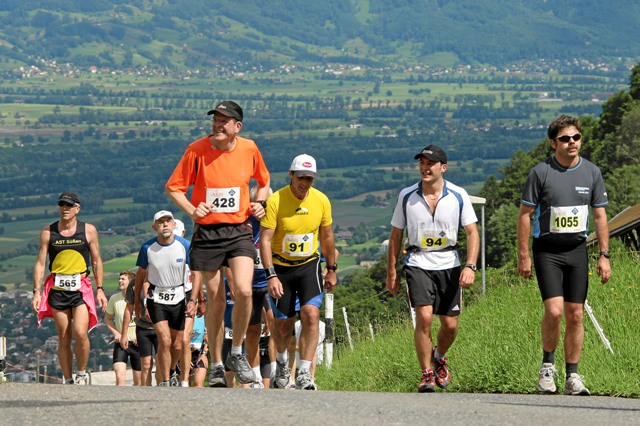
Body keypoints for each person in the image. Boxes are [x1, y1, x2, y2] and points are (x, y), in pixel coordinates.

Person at [165, 100, 271, 386]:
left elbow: (263, 180)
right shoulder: (196, 150)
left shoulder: (249, 148)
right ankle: (216, 364)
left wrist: (260, 203)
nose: (218, 125)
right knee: (216, 298)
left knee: (245, 291)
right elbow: (173, 187)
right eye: (216, 119)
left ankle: (236, 352)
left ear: (238, 126)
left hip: (239, 229)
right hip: (208, 233)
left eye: (224, 121)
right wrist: (192, 210)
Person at [517, 114, 611, 396]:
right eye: (565, 138)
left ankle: (572, 375)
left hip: (576, 250)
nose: (572, 142)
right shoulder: (540, 173)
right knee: (554, 311)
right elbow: (525, 215)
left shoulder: (592, 172)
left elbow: (600, 215)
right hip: (547, 250)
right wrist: (524, 255)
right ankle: (547, 367)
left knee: (576, 314)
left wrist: (604, 254)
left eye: (576, 137)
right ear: (553, 143)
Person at [386, 145, 479, 393]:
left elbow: (472, 232)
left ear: (443, 167)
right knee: (425, 317)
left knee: (450, 325)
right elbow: (396, 235)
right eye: (422, 163)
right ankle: (426, 373)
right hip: (418, 262)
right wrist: (392, 272)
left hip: (450, 263)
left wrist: (470, 265)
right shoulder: (407, 196)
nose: (425, 168)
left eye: (431, 164)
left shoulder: (458, 195)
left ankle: (439, 356)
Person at [260, 154, 338, 391]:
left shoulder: (321, 200)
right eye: (301, 177)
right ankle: (283, 364)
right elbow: (265, 241)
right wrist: (271, 275)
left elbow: (327, 236)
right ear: (291, 175)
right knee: (284, 325)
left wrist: (331, 268)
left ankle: (304, 372)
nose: (305, 183)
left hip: (308, 265)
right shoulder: (276, 200)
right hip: (281, 267)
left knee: (311, 315)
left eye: (310, 178)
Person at [31, 192, 108, 385]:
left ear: (77, 209)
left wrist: (100, 288)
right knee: (64, 336)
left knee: (81, 332)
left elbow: (96, 260)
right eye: (62, 205)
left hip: (80, 288)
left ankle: (81, 373)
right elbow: (40, 263)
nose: (65, 208)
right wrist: (36, 292)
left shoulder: (88, 230)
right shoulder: (48, 232)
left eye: (69, 205)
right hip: (58, 288)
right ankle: (67, 378)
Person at [134, 210, 194, 387]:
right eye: (161, 222)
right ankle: (165, 381)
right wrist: (137, 301)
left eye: (168, 221)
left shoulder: (185, 245)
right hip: (157, 297)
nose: (165, 224)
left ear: (174, 225)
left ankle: (171, 370)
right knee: (165, 340)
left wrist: (196, 299)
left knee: (177, 345)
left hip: (179, 296)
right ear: (155, 227)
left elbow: (196, 273)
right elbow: (141, 275)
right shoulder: (147, 248)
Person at [105, 270, 141, 386]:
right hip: (121, 342)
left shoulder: (139, 297)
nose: (120, 281)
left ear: (131, 282)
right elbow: (108, 319)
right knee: (119, 375)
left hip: (137, 343)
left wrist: (140, 336)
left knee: (139, 381)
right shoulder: (114, 298)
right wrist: (116, 333)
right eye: (119, 279)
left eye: (123, 279)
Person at [121, 270, 157, 386]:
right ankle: (146, 389)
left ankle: (162, 388)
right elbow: (129, 309)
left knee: (161, 362)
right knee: (146, 364)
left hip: (159, 327)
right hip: (142, 327)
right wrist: (124, 334)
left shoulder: (160, 279)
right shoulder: (134, 284)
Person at [188, 311, 209, 387]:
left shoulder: (203, 313)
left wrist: (204, 354)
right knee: (185, 385)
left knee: (198, 384)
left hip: (199, 352)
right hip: (184, 352)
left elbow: (208, 338)